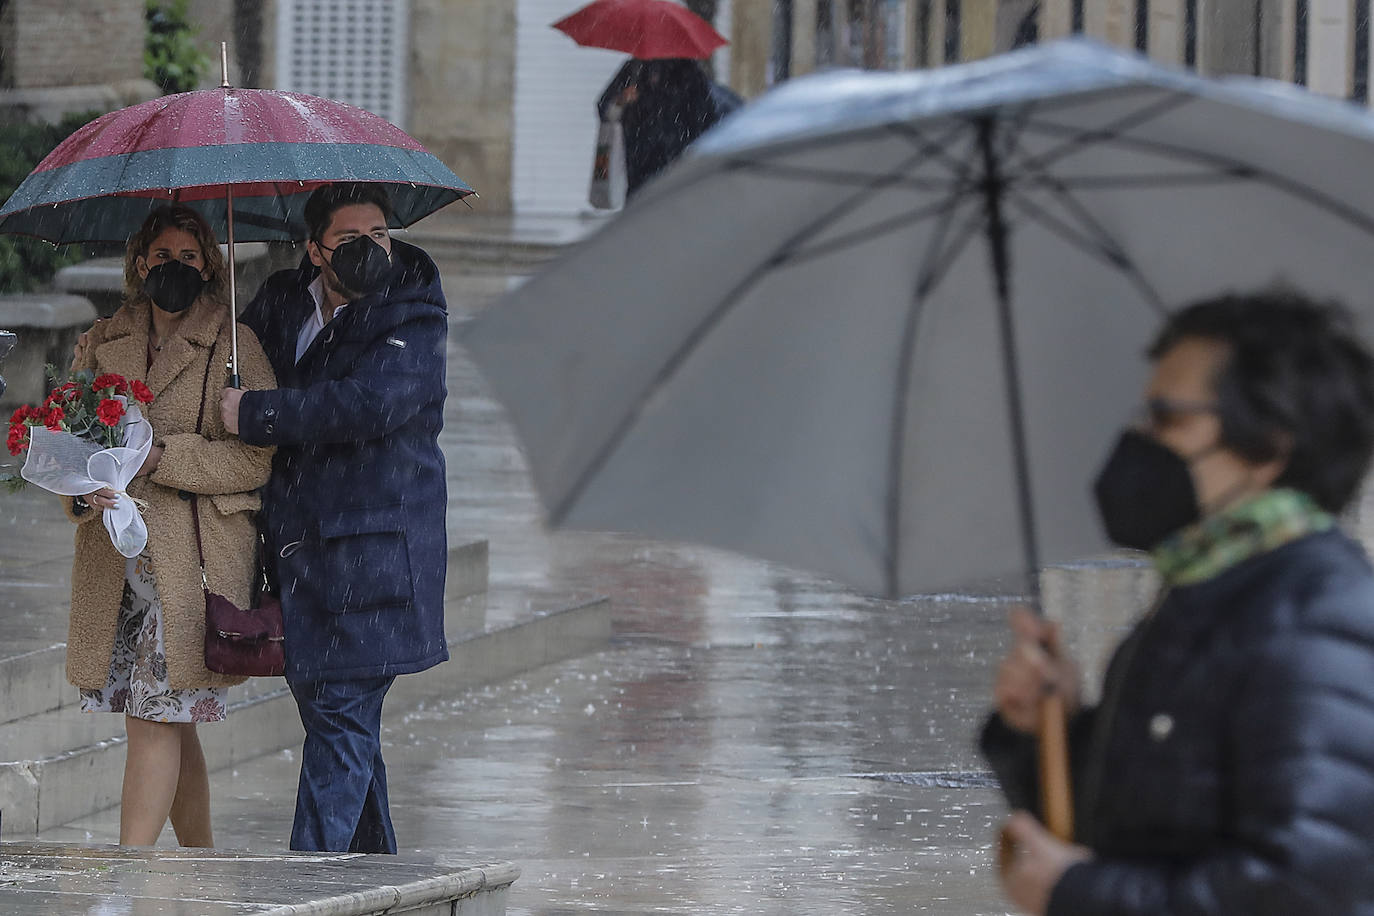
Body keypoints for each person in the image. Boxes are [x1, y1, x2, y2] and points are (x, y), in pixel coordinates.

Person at [981, 290, 1374, 915]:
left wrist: (1078, 895)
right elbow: (1137, 831)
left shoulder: (1314, 614)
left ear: (1268, 449)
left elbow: (1305, 890)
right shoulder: (1205, 593)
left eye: (1168, 419)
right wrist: (1046, 729)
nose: (1141, 441)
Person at [220, 181, 449, 853]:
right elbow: (234, 361)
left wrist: (259, 414)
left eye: (379, 234)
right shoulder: (281, 303)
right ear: (315, 249)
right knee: (341, 719)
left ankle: (306, 887)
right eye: (350, 240)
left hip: (375, 558)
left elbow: (366, 405)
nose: (372, 249)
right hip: (304, 553)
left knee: (341, 715)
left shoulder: (414, 313)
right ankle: (377, 878)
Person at [66, 204, 276, 847]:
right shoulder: (104, 341)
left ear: (210, 266)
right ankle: (201, 859)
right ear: (139, 264)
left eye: (190, 258)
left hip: (194, 560)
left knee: (153, 717)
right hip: (119, 559)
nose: (175, 269)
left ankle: (129, 871)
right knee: (169, 717)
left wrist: (164, 457)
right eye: (163, 257)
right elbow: (68, 437)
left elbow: (258, 456)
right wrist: (83, 488)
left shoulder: (236, 346)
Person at [597, 58, 738, 197]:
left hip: (674, 165)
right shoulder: (634, 70)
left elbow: (704, 120)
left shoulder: (689, 74)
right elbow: (604, 109)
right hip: (640, 165)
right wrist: (621, 100)